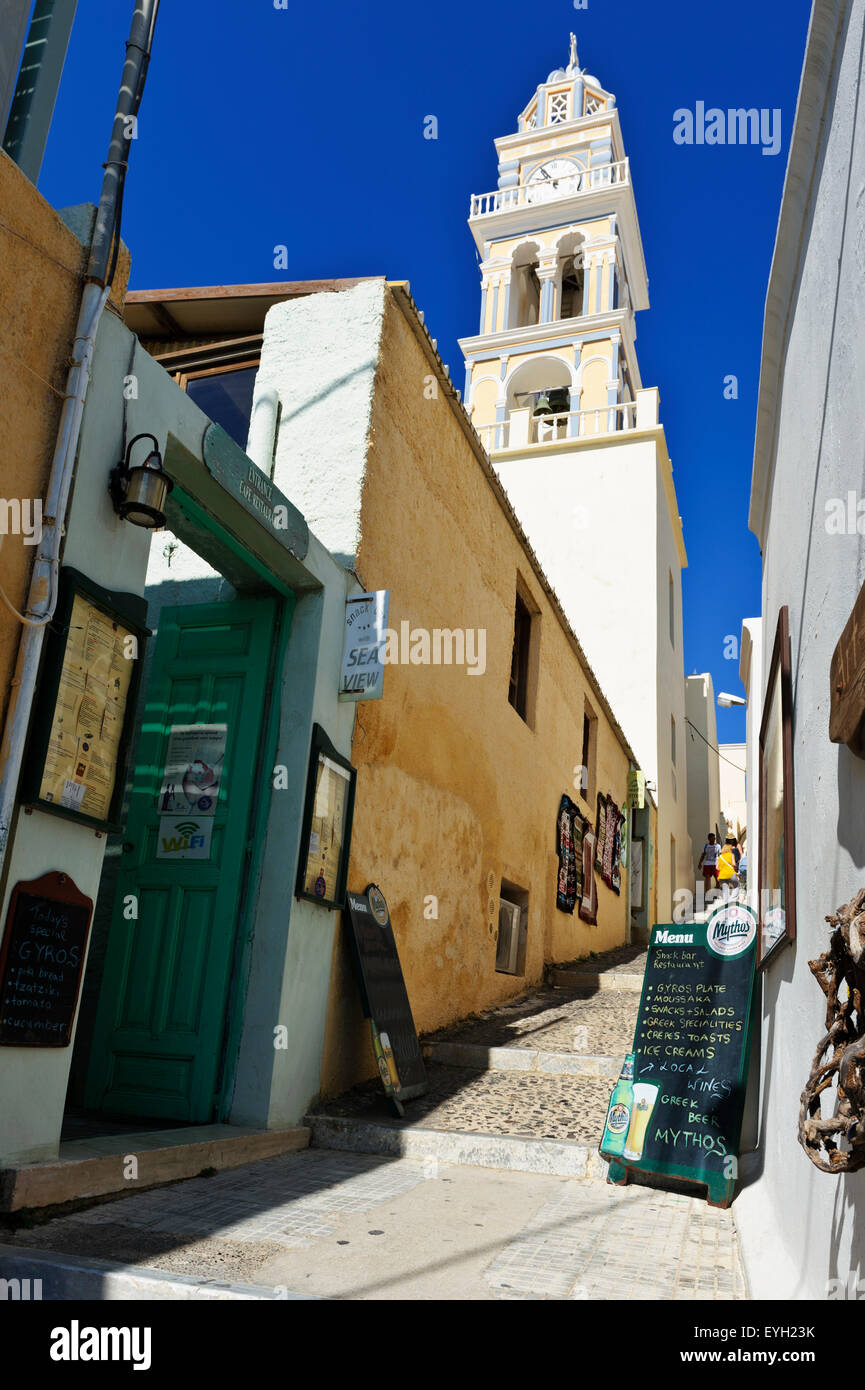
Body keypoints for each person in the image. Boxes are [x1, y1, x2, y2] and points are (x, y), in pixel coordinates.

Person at [717, 836, 741, 901]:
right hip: (730, 873)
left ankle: (726, 905)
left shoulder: (720, 856)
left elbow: (717, 867)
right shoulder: (731, 854)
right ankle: (732, 899)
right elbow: (734, 864)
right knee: (737, 886)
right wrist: (736, 869)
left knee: (725, 890)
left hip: (722, 875)